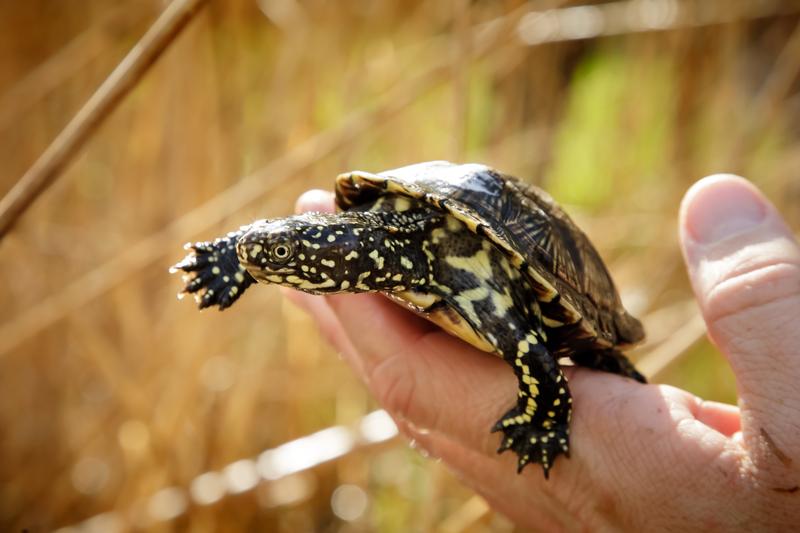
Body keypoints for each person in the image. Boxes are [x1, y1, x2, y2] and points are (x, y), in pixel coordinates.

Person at [286, 174, 799, 530]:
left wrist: (545, 423)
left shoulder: (470, 267)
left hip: (525, 288)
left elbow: (534, 353)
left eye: (299, 252)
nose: (299, 255)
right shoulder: (374, 221)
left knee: (595, 364)